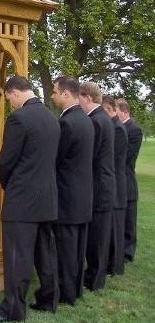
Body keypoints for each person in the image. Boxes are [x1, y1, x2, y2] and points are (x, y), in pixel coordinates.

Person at [0, 76, 60, 322]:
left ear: (15, 92)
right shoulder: (52, 118)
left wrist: (8, 184)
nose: (11, 104)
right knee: (44, 253)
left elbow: (6, 160)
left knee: (17, 255)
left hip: (23, 198)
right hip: (47, 197)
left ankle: (13, 310)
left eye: (9, 99)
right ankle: (49, 299)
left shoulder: (19, 119)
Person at [50, 77, 94, 305]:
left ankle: (65, 293)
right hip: (83, 195)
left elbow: (57, 159)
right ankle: (75, 289)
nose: (52, 95)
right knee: (77, 249)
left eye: (55, 92)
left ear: (66, 93)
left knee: (65, 248)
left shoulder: (67, 123)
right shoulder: (86, 120)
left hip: (67, 195)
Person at [79, 82, 115, 291]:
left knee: (96, 237)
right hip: (104, 183)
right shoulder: (103, 118)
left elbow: (90, 155)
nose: (80, 102)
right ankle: (95, 275)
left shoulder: (96, 121)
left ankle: (94, 278)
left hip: (100, 186)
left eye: (81, 98)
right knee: (98, 235)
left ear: (88, 98)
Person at [102, 96, 128, 275]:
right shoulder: (114, 126)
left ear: (110, 109)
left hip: (117, 187)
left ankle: (115, 266)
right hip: (114, 184)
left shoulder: (117, 129)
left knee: (116, 230)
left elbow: (113, 159)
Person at [115, 98, 143, 263]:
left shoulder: (134, 130)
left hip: (127, 179)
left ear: (124, 111)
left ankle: (127, 252)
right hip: (118, 179)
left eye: (116, 110)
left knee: (129, 220)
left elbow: (128, 156)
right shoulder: (118, 128)